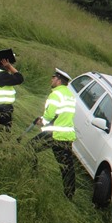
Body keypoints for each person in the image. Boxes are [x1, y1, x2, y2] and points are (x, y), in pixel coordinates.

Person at [29, 68, 77, 199]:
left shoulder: (55, 94)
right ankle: (69, 194)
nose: (51, 79)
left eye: (53, 77)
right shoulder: (69, 94)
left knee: (29, 149)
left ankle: (30, 175)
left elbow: (50, 115)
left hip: (54, 134)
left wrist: (42, 121)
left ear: (59, 80)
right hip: (66, 135)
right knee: (67, 167)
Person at [0, 58, 24, 130]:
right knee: (3, 132)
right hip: (2, 109)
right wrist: (10, 67)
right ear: (3, 63)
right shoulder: (1, 74)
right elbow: (20, 79)